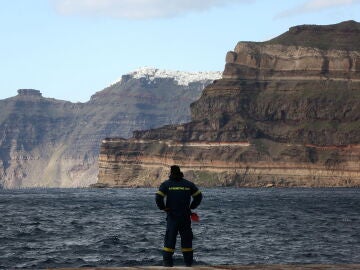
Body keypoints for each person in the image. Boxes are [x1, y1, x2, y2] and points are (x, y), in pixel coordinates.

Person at [155, 165, 202, 267]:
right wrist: (192, 206)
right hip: (185, 217)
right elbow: (199, 196)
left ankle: (167, 265)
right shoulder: (188, 184)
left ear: (171, 173)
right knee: (187, 242)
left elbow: (158, 197)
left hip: (172, 218)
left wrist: (163, 208)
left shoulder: (166, 184)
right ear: (180, 172)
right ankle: (188, 265)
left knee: (169, 242)